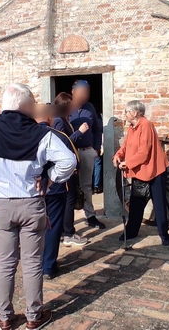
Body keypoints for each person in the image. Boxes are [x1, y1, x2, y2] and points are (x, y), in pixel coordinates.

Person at [0, 84, 76, 330]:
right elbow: (69, 160)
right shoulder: (43, 134)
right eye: (33, 103)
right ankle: (33, 316)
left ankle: (5, 318)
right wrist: (51, 177)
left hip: (2, 206)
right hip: (31, 204)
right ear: (25, 106)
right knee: (31, 263)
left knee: (5, 263)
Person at [112, 100, 169, 246]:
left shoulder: (146, 125)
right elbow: (126, 146)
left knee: (159, 204)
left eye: (126, 111)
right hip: (140, 171)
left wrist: (128, 163)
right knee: (136, 203)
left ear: (135, 113)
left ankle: (164, 234)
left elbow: (144, 152)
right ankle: (131, 231)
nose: (125, 114)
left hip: (155, 170)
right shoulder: (132, 128)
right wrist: (118, 155)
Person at [34, 104, 80, 279]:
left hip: (29, 189)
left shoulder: (23, 135)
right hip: (54, 189)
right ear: (49, 118)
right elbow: (74, 161)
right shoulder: (59, 136)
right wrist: (52, 178)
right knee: (52, 228)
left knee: (33, 228)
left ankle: (34, 264)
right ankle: (47, 266)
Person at [52, 92, 89, 246]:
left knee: (68, 199)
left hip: (70, 165)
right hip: (66, 167)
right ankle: (68, 233)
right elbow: (63, 143)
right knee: (69, 199)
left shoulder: (64, 119)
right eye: (71, 105)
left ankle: (63, 231)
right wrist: (79, 132)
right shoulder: (58, 121)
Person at [68, 80, 106, 229]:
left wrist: (96, 148)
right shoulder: (65, 106)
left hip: (87, 151)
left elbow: (97, 128)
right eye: (82, 91)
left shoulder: (90, 108)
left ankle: (90, 215)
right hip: (71, 154)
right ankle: (67, 221)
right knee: (69, 187)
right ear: (73, 91)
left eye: (87, 91)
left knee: (87, 186)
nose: (86, 94)